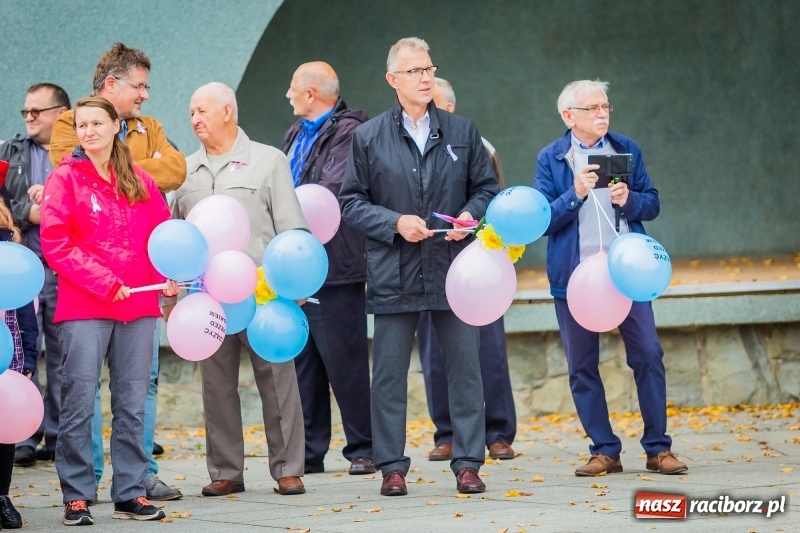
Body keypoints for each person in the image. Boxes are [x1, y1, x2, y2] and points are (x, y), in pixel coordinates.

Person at [340, 37, 499, 497]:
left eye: (429, 68)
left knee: (464, 370)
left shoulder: (462, 131)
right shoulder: (367, 137)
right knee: (388, 375)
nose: (426, 77)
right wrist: (393, 222)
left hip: (454, 268)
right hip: (394, 268)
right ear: (393, 80)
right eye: (414, 71)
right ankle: (392, 467)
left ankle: (468, 463)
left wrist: (470, 215)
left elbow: (486, 188)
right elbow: (351, 202)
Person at [49, 42, 186, 502]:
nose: (87, 131)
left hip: (139, 306)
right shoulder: (65, 178)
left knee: (131, 405)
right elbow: (57, 243)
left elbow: (160, 234)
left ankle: (130, 490)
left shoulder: (140, 182)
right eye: (81, 125)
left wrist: (167, 277)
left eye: (95, 124)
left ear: (114, 129)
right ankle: (77, 493)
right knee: (78, 401)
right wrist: (107, 282)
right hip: (86, 304)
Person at [533, 79, 688, 477]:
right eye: (592, 109)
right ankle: (604, 450)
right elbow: (543, 219)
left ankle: (658, 449)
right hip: (576, 278)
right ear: (569, 116)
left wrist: (630, 200)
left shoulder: (624, 149)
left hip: (627, 272)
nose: (602, 114)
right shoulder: (551, 158)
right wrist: (575, 193)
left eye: (606, 107)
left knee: (649, 354)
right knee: (582, 365)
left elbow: (651, 202)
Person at [168, 82, 307, 497]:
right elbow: (172, 237)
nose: (194, 119)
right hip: (206, 296)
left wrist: (292, 289)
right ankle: (226, 470)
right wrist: (170, 299)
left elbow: (293, 228)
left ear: (227, 111)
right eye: (191, 112)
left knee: (278, 380)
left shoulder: (268, 161)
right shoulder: (184, 171)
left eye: (202, 111)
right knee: (216, 384)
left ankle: (288, 468)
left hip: (262, 293)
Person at [279, 62, 374, 476]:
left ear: (312, 94)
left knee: (345, 360)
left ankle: (365, 448)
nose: (287, 94)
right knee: (306, 363)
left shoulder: (350, 132)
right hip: (295, 264)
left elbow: (330, 190)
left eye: (293, 88)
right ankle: (310, 451)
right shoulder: (293, 135)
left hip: (337, 263)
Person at [417, 77, 516, 462]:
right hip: (427, 264)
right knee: (433, 352)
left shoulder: (480, 147)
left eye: (434, 104)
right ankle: (447, 434)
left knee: (487, 350)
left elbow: (498, 204)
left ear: (451, 109)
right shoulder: (408, 146)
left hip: (478, 266)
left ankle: (497, 433)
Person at [1, 83, 70, 467]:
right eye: (25, 111)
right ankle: (22, 432)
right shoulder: (9, 152)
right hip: (18, 269)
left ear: (60, 113)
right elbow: (5, 201)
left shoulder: (75, 153)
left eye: (36, 111)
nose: (28, 117)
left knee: (62, 354)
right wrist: (28, 208)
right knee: (21, 349)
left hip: (62, 269)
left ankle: (58, 435)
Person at [0, 196, 39, 529]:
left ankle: (1, 494)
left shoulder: (7, 243)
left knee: (4, 422)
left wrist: (29, 351)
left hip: (6, 345)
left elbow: (24, 305)